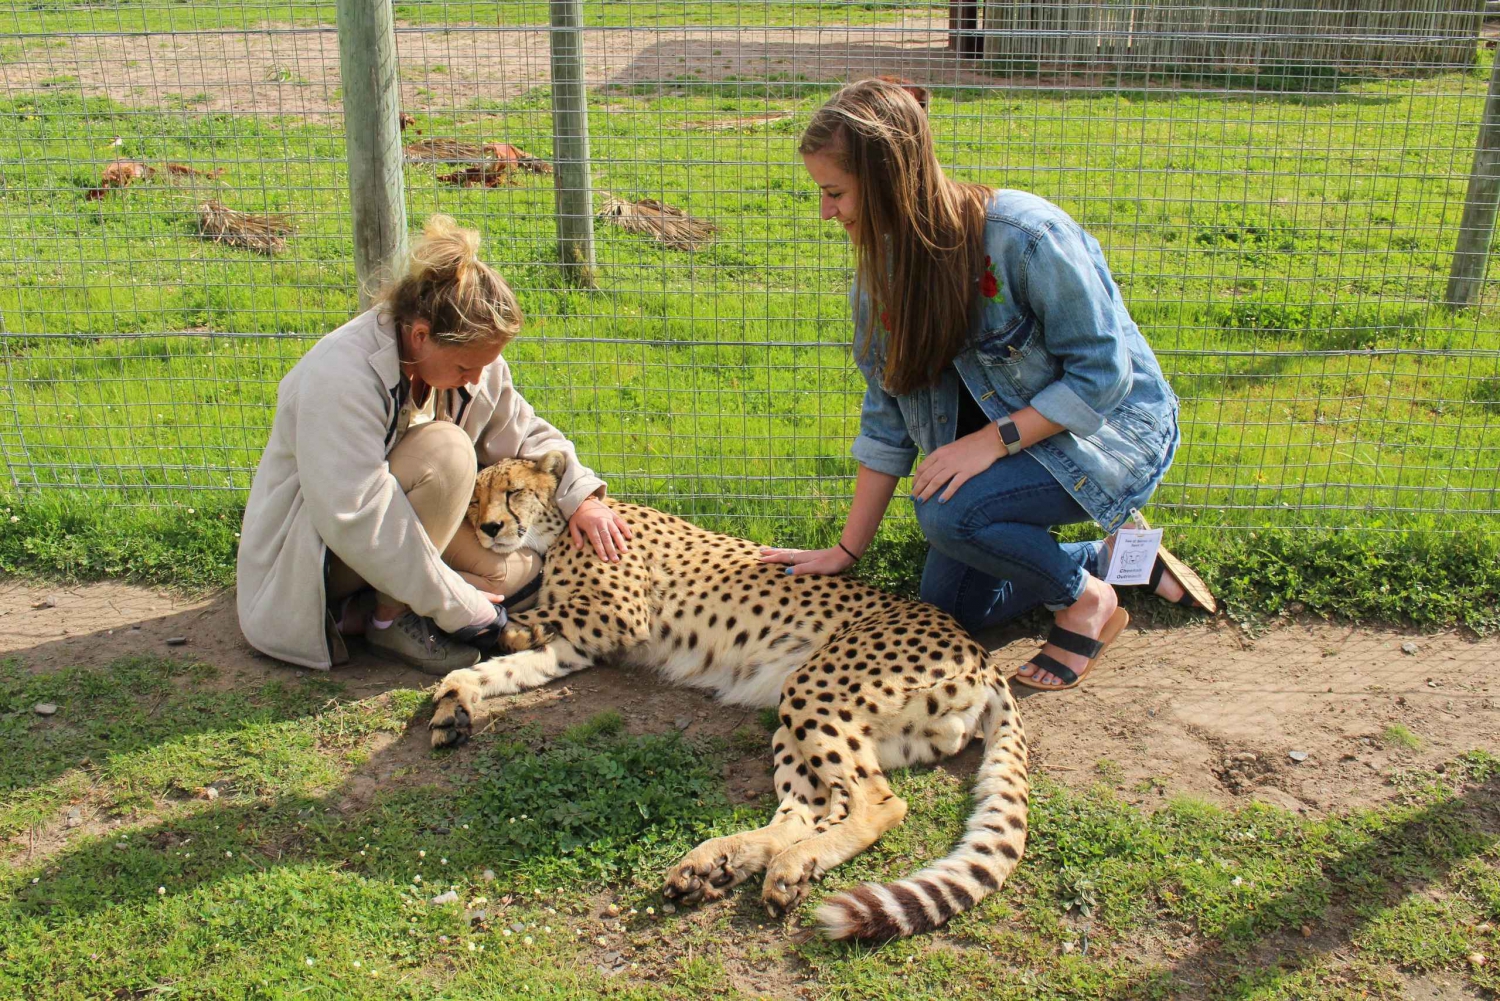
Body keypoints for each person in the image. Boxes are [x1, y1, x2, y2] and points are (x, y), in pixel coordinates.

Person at [761, 77, 1215, 692]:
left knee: (948, 514)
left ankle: (1086, 602)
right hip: (1010, 454)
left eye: (835, 192)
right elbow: (887, 417)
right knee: (953, 612)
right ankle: (1114, 561)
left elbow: (1104, 377)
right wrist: (846, 551)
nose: (826, 213)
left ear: (890, 178)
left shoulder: (1025, 237)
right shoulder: (879, 281)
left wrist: (993, 441)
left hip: (1110, 437)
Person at [237, 215, 630, 673]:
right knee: (447, 452)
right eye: (467, 368)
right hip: (314, 558)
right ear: (421, 335)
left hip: (395, 533)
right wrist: (466, 610)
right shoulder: (340, 378)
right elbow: (358, 520)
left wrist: (582, 497)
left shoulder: (464, 358)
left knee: (516, 573)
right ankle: (388, 620)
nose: (478, 379)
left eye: (486, 365)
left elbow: (525, 430)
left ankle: (371, 612)